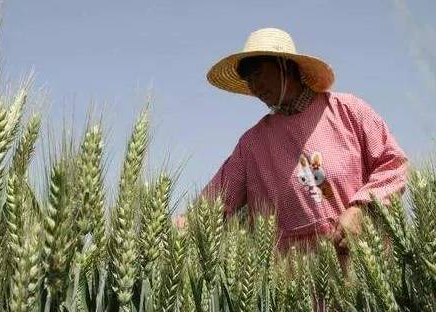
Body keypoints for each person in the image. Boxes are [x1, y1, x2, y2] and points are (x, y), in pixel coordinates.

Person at [174, 28, 408, 258]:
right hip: (293, 288)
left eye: (257, 73)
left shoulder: (348, 111)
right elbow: (215, 202)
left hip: (362, 276)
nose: (253, 87)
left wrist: (360, 209)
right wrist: (179, 226)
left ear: (284, 66)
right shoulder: (251, 145)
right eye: (247, 79)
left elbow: (393, 164)